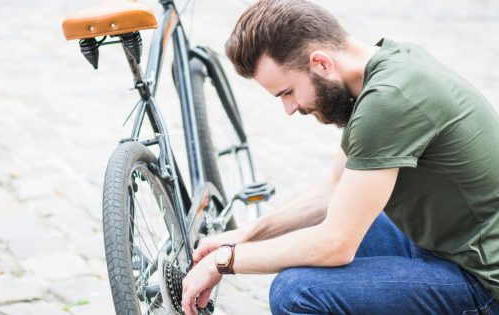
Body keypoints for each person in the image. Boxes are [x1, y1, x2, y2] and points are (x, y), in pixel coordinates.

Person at [181, 0, 499, 314]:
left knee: (297, 292)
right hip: (446, 245)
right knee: (326, 231)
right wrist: (244, 236)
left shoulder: (387, 101)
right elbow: (334, 188)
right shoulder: (389, 63)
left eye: (287, 92)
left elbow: (336, 244)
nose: (289, 109)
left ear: (321, 63)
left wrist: (225, 262)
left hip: (482, 281)